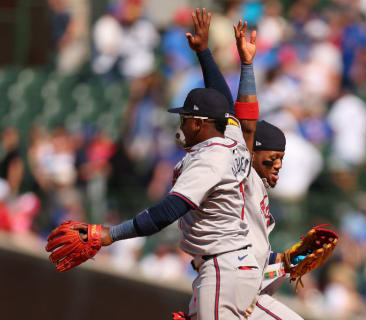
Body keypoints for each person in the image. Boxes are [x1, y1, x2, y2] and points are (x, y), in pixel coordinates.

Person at [50, 10, 261, 319]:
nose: (182, 124)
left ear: (201, 123)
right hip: (238, 265)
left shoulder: (209, 159)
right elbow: (224, 103)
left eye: (186, 118)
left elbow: (165, 213)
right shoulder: (232, 138)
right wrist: (204, 53)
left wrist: (110, 234)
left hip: (222, 269)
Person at [186, 9, 303, 319]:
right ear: (251, 153)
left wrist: (294, 258)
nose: (278, 165)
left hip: (240, 288)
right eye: (272, 157)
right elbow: (231, 114)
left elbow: (258, 270)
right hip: (224, 285)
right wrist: (207, 56)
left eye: (281, 159)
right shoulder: (241, 172)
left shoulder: (258, 192)